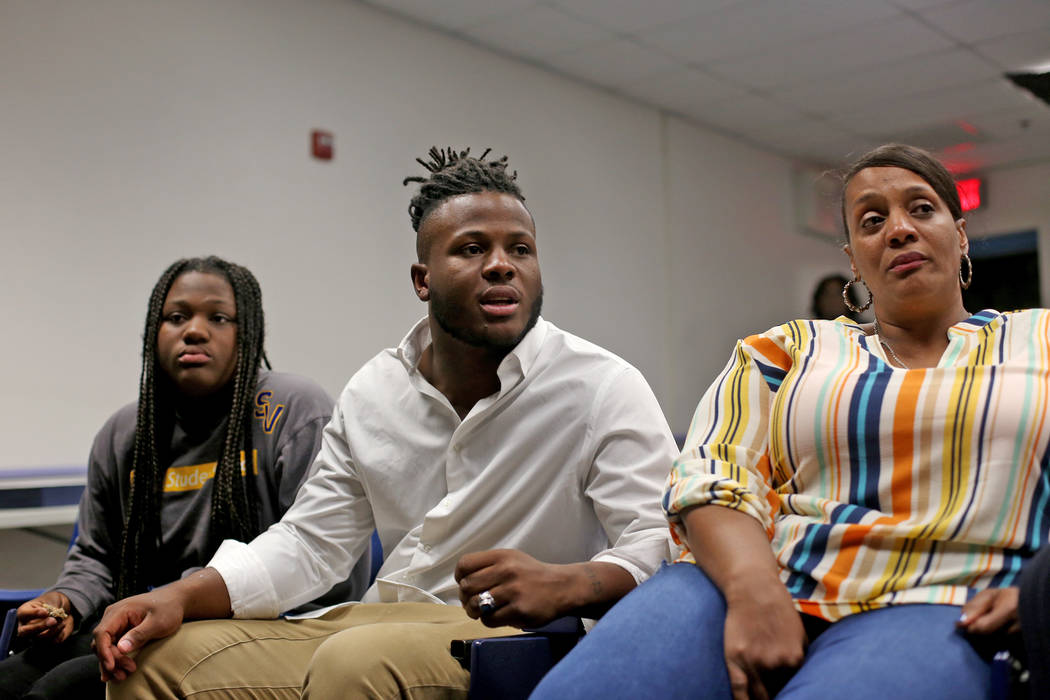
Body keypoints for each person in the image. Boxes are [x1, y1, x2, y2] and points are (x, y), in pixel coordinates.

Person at [94, 147, 677, 698]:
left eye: (520, 249)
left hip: (522, 635)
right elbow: (311, 543)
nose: (501, 265)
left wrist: (570, 584)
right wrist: (181, 595)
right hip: (378, 621)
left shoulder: (602, 385)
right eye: (472, 249)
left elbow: (661, 540)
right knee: (153, 658)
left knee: (355, 662)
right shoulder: (376, 390)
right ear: (423, 280)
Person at [531, 143, 1047, 700]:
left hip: (943, 597)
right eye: (872, 220)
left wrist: (1042, 592)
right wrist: (755, 593)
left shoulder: (1038, 340)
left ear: (960, 234)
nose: (898, 229)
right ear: (854, 258)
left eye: (921, 209)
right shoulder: (789, 348)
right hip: (743, 580)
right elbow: (713, 473)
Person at [0, 256, 368, 700]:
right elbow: (98, 557)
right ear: (152, 334)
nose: (194, 330)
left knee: (62, 691)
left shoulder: (292, 410)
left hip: (275, 628)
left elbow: (328, 564)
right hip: (157, 622)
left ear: (248, 333)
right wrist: (65, 602)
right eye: (176, 317)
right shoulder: (125, 433)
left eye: (218, 317)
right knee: (13, 678)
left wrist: (185, 595)